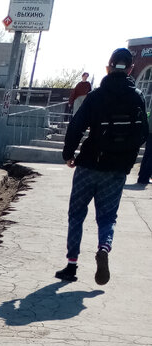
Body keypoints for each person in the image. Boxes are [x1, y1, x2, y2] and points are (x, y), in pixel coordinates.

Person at [54, 47, 148, 285]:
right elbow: (143, 134)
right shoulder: (137, 97)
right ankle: (104, 248)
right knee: (107, 218)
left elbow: (76, 126)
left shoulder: (96, 96)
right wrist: (127, 159)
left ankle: (71, 266)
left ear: (108, 67)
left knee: (76, 215)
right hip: (115, 172)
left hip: (88, 165)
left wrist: (68, 154)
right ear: (130, 69)